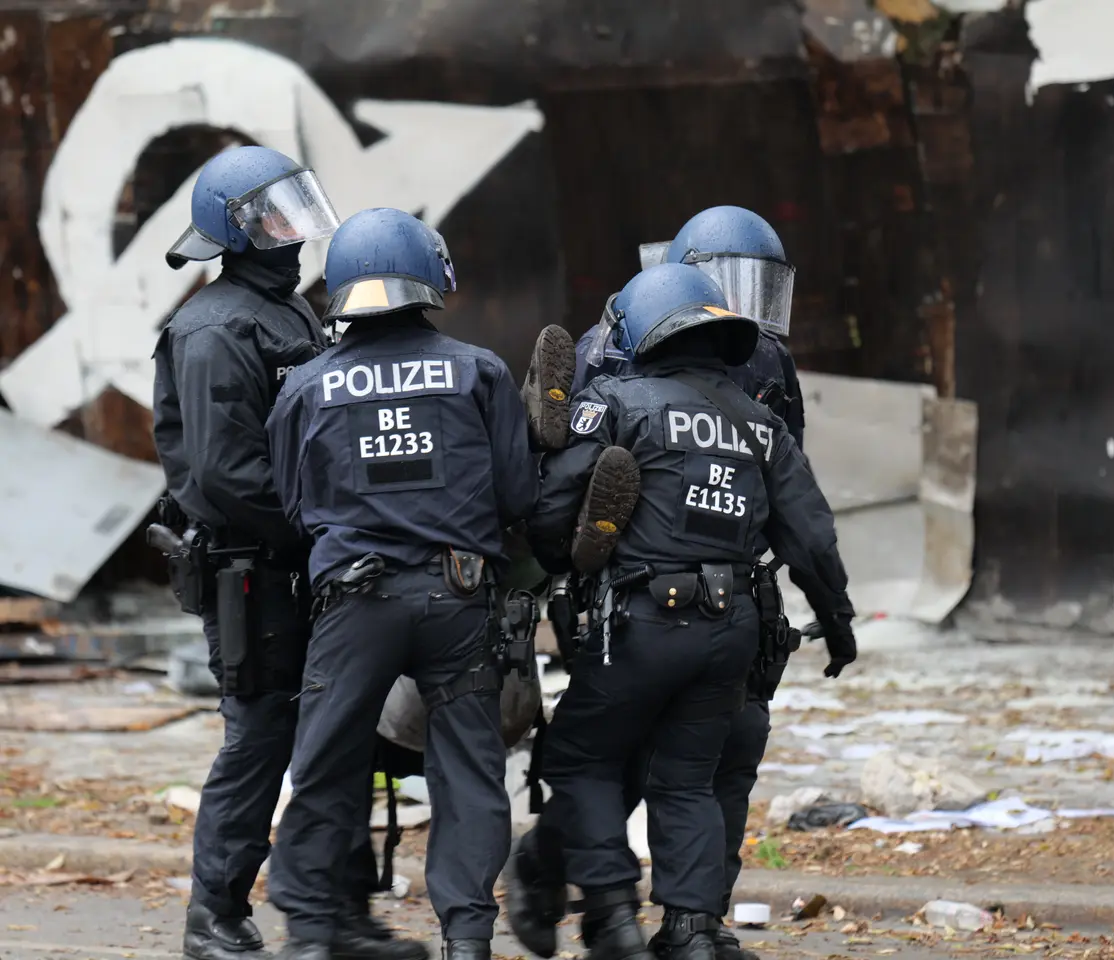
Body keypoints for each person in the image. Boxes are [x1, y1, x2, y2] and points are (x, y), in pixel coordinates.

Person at [518, 263, 858, 960]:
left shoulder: (615, 400)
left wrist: (564, 561)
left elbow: (552, 513)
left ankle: (611, 918)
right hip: (732, 629)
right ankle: (694, 933)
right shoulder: (762, 424)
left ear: (643, 332)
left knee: (580, 759)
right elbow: (812, 537)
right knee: (687, 779)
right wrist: (839, 622)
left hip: (643, 621)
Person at [264, 207, 572, 960]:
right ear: (431, 280)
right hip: (458, 596)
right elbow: (516, 498)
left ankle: (310, 933)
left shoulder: (307, 387)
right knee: (467, 769)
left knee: (327, 762)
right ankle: (466, 939)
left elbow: (295, 506)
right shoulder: (479, 371)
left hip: (353, 603)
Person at [152, 145, 397, 960]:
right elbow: (227, 476)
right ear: (234, 231)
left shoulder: (292, 311)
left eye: (295, 208)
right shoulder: (214, 326)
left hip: (307, 561)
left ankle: (343, 917)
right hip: (253, 569)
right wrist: (323, 533)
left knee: (339, 736)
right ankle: (214, 917)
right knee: (259, 738)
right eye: (271, 216)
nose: (291, 230)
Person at [572, 206, 805, 446]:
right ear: (682, 274)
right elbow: (568, 451)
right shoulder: (614, 344)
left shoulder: (771, 356)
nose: (739, 304)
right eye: (731, 284)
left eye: (759, 287)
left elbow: (789, 455)